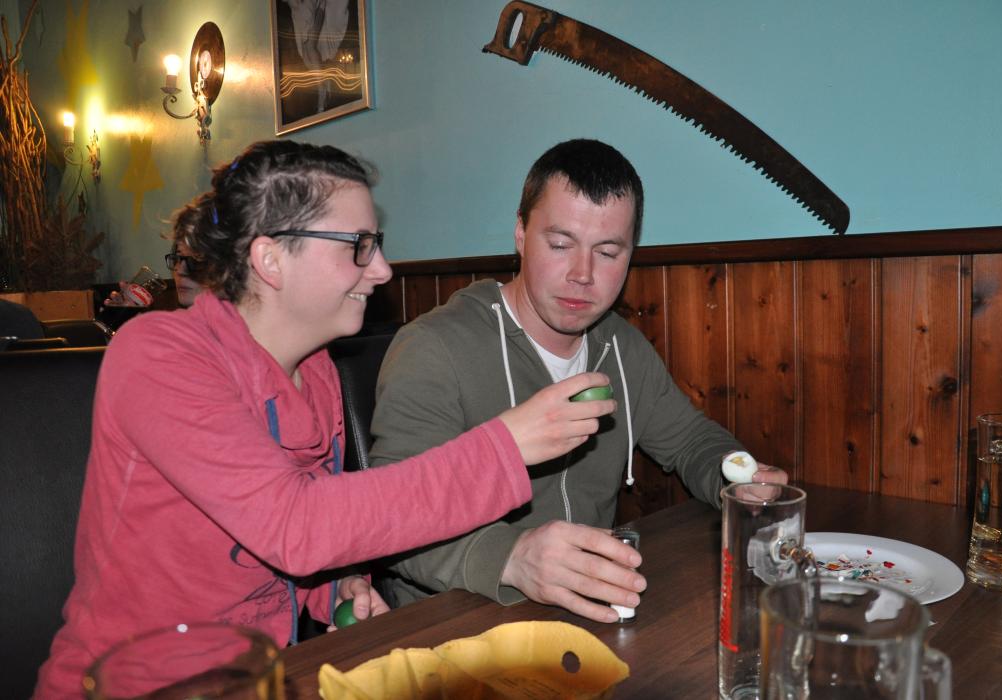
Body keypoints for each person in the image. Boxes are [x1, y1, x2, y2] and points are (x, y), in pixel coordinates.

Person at [34, 140, 615, 697]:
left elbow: (300, 529)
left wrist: (336, 587)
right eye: (357, 245)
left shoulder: (315, 371)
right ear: (270, 259)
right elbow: (296, 527)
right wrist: (504, 447)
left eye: (376, 243)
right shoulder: (158, 354)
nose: (382, 269)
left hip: (262, 679)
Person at [369, 139, 788, 622]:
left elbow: (690, 439)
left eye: (607, 252)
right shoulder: (432, 348)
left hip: (587, 613)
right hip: (451, 627)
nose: (582, 274)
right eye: (560, 244)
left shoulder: (621, 346)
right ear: (521, 233)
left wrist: (735, 478)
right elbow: (388, 520)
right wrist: (512, 557)